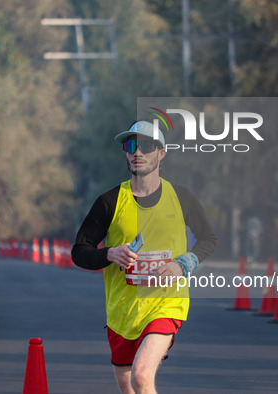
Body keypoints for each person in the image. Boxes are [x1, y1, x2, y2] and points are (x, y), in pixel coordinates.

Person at [72, 121, 217, 394]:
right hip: (122, 313)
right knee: (128, 386)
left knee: (141, 376)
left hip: (166, 304)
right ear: (125, 153)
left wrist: (183, 263)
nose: (138, 152)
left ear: (162, 153)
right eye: (131, 146)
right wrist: (109, 254)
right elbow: (79, 252)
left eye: (147, 146)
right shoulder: (110, 201)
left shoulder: (181, 198)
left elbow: (209, 239)